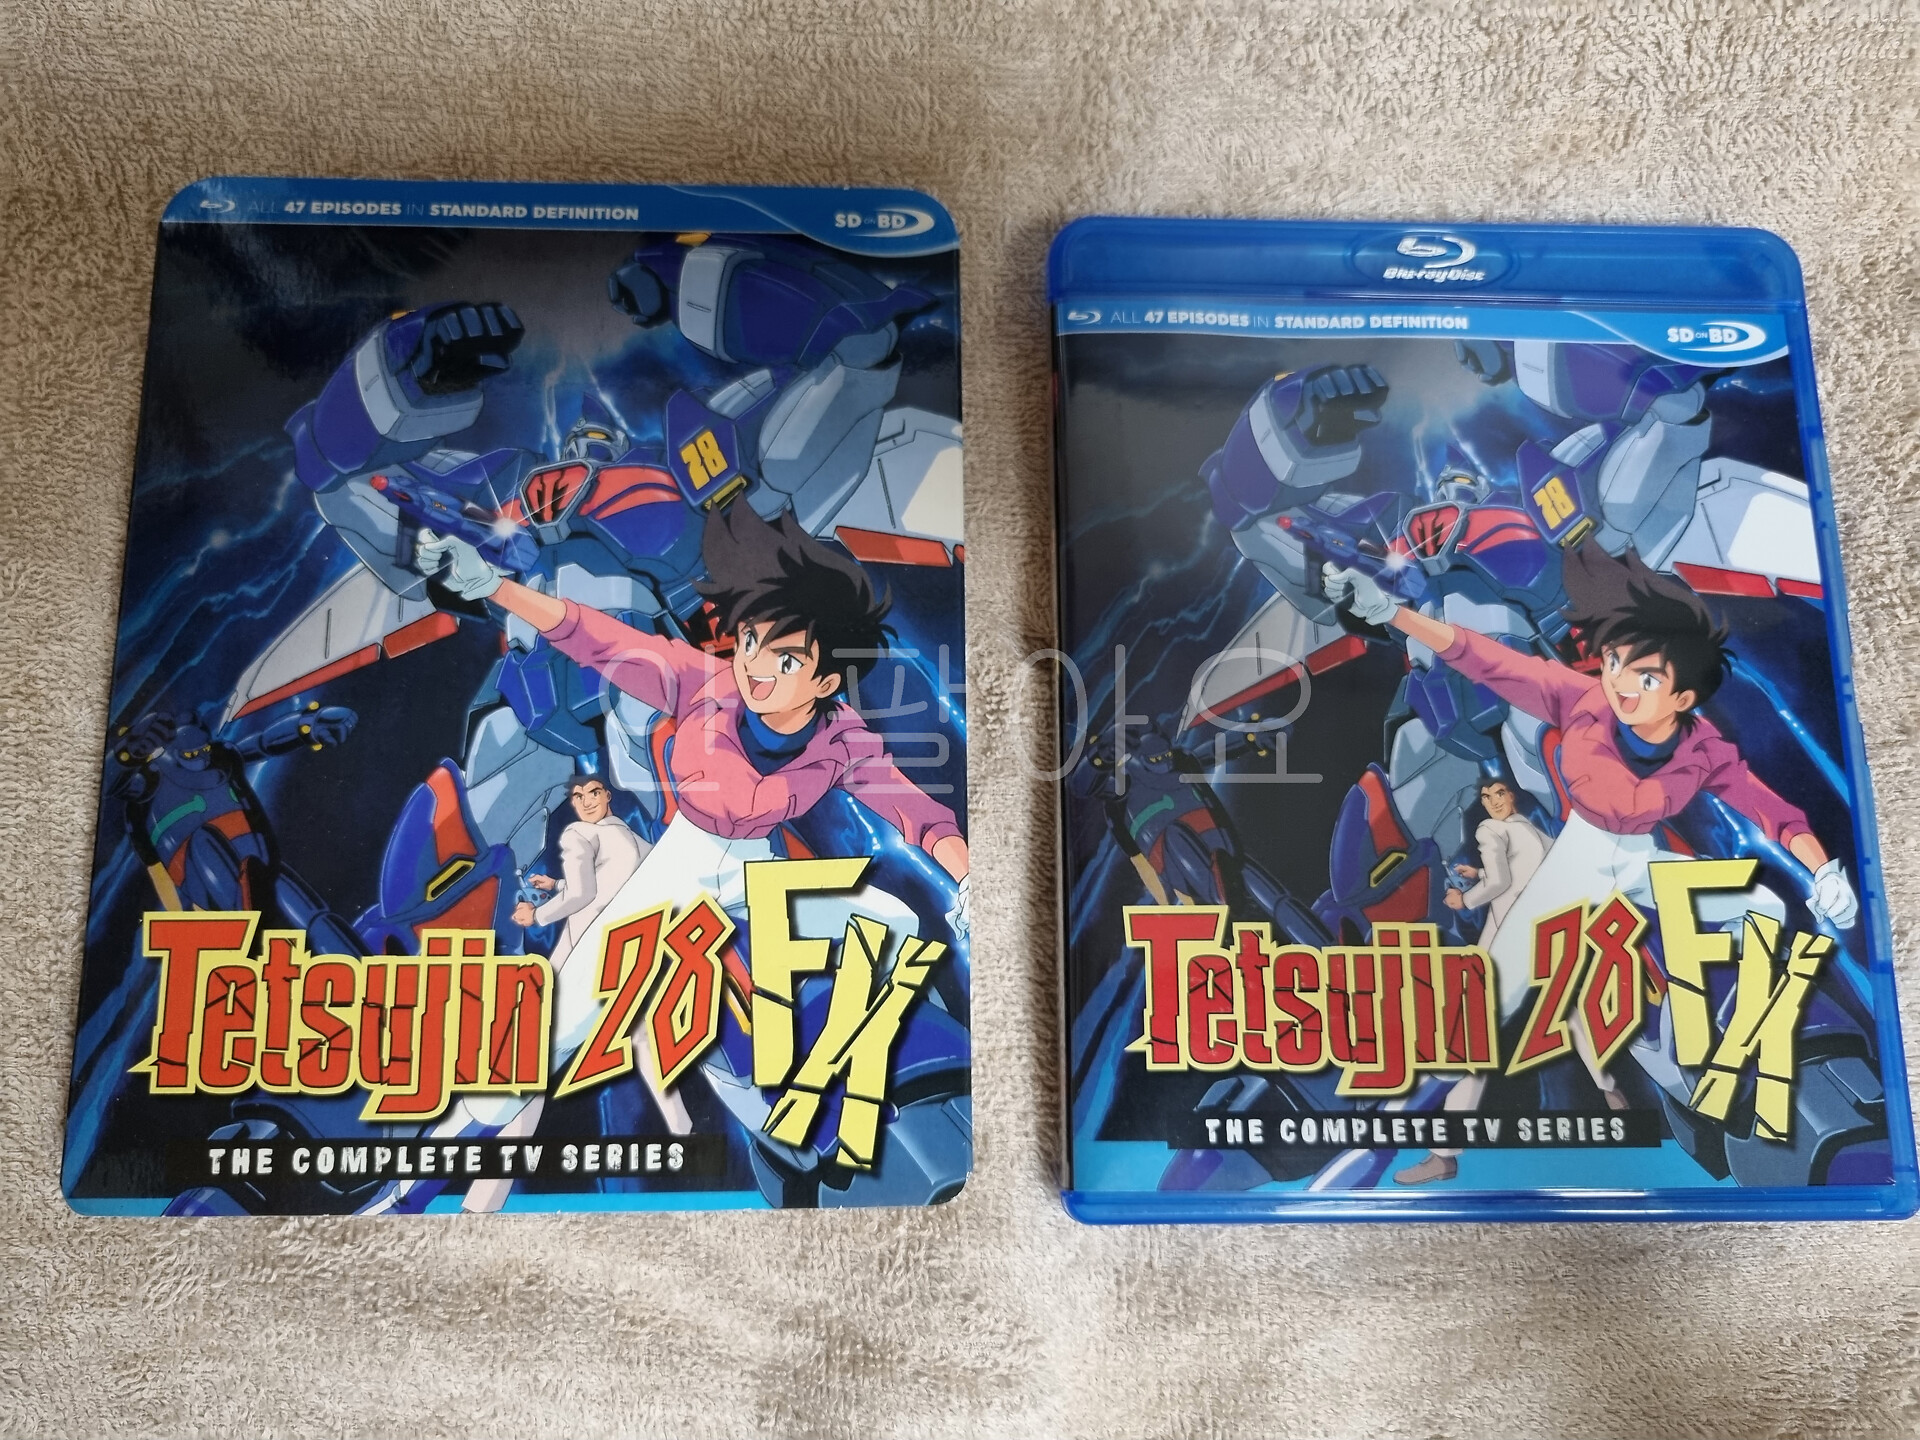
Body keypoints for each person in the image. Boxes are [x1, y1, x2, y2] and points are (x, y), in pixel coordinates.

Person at [416, 502, 971, 1152]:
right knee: (567, 1016)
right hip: (683, 867)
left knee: (895, 927)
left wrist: (969, 880)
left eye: (786, 661)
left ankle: (862, 1079)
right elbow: (596, 637)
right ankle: (448, 1137)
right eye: (753, 642)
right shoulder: (704, 684)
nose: (757, 667)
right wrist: (495, 587)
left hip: (761, 874)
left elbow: (918, 814)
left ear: (824, 680)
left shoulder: (843, 739)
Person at [1325, 543, 1860, 1185]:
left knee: (1763, 909)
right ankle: (1378, 1146)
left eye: (1647, 677)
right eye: (1614, 662)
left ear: (1684, 695)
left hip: (1643, 861)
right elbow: (1482, 656)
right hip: (1578, 862)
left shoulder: (1704, 749)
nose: (1622, 684)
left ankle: (1754, 1061)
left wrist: (1824, 872)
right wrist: (1394, 613)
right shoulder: (1580, 701)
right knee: (1491, 996)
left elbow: (1776, 813)